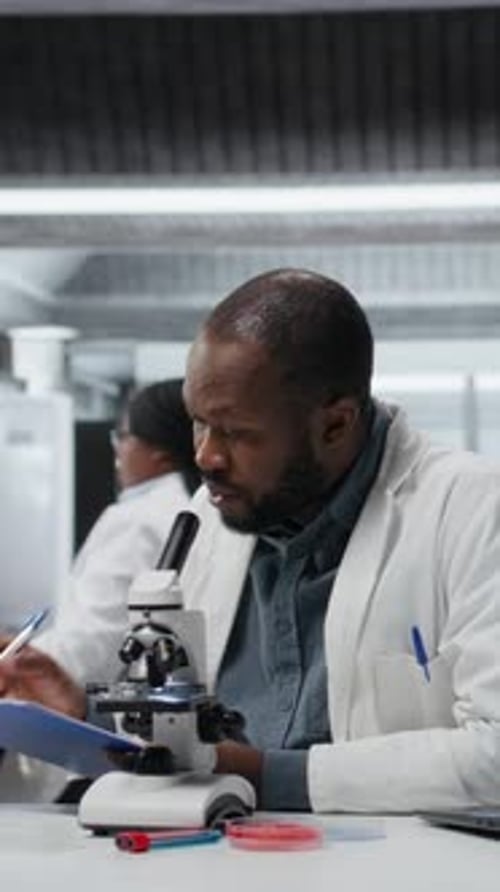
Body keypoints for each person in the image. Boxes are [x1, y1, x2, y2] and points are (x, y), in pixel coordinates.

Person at [1, 269, 500, 815]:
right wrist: (79, 712)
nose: (206, 458)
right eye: (197, 424)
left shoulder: (471, 509)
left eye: (237, 433)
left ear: (336, 425)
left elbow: (492, 752)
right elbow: (191, 730)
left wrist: (268, 775)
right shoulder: (211, 517)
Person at [33, 377, 200, 687]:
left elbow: (89, 647)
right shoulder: (194, 508)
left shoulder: (138, 519)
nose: (118, 452)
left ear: (158, 452)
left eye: (122, 436)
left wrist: (21, 662)